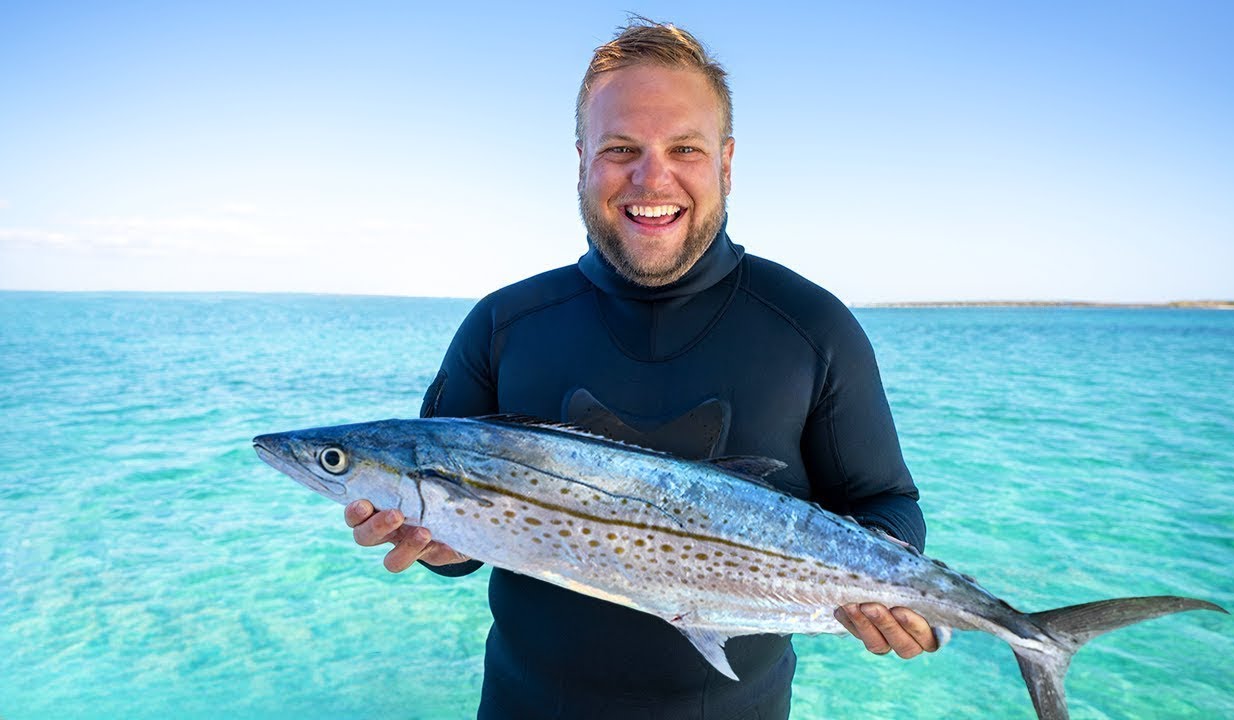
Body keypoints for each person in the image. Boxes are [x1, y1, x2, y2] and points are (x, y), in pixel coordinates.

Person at [343, 18, 938, 720]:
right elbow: (460, 541)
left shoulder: (814, 326)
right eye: (621, 148)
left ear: (726, 161)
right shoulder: (501, 326)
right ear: (581, 160)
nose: (651, 177)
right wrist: (438, 548)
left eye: (683, 147)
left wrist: (895, 591)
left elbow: (886, 503)